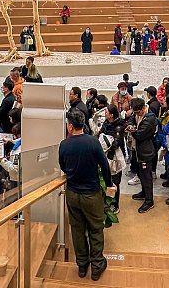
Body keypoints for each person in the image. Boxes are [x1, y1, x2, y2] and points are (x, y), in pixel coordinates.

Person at [59, 109, 113, 281]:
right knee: (95, 229)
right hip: (92, 194)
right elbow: (104, 166)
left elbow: (62, 166)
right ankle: (97, 266)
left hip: (73, 193)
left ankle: (82, 265)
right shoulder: (93, 142)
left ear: (69, 125)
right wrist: (110, 184)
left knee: (77, 230)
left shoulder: (64, 144)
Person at [126, 97, 157, 214]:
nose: (136, 114)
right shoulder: (136, 114)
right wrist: (130, 126)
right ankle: (144, 193)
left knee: (146, 177)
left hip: (146, 151)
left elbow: (140, 135)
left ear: (143, 108)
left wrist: (133, 131)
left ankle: (149, 201)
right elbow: (130, 121)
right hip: (136, 150)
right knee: (140, 173)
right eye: (135, 112)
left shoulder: (150, 119)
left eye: (138, 112)